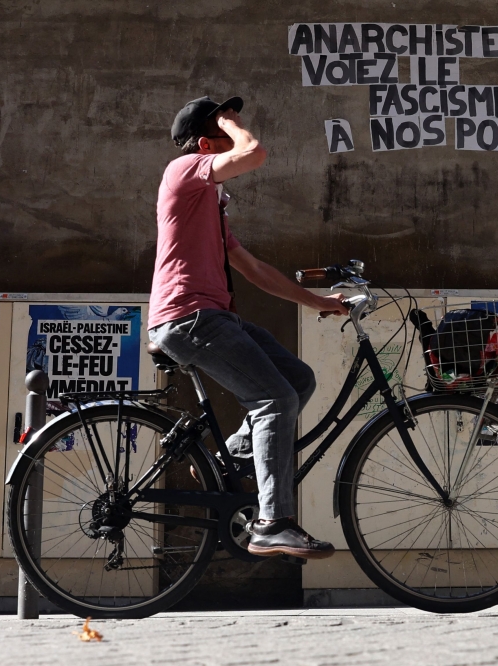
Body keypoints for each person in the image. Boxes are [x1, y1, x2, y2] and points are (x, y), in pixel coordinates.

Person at [148, 96, 348, 559]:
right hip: (188, 316)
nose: (234, 131)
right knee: (273, 399)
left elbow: (254, 269)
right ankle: (273, 522)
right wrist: (231, 124)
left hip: (211, 316)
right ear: (204, 144)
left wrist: (319, 302)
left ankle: (226, 459)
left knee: (297, 380)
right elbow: (253, 153)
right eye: (221, 130)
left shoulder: (209, 204)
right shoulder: (183, 171)